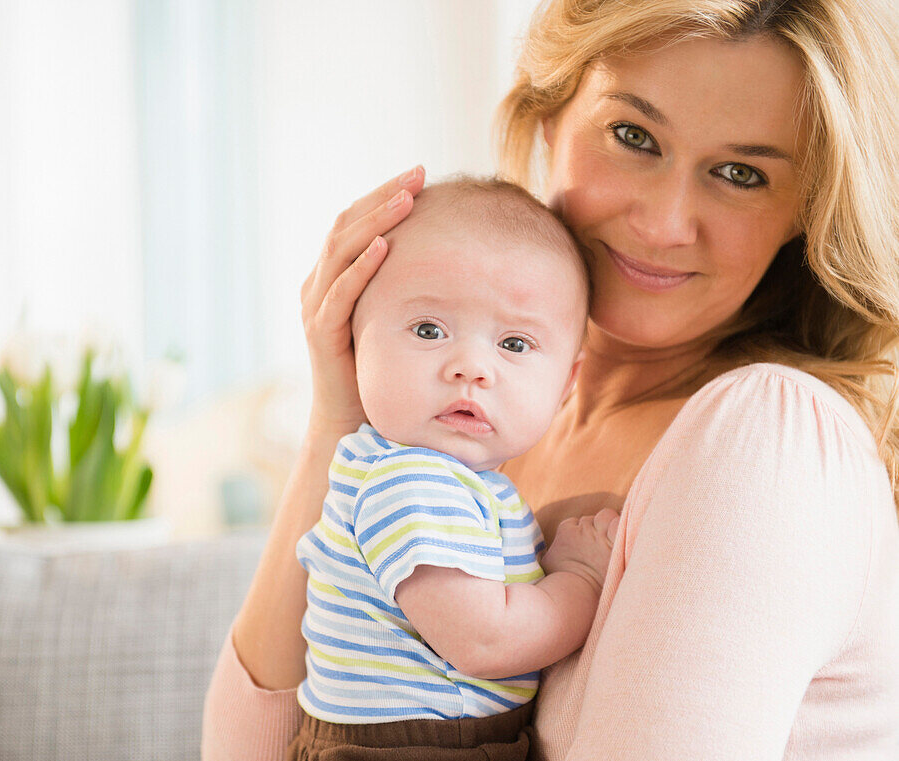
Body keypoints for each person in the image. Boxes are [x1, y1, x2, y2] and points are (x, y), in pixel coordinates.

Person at [203, 1, 899, 758]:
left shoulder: (768, 441)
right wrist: (339, 421)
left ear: (809, 208)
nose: (666, 222)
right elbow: (250, 748)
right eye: (634, 136)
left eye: (741, 173)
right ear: (547, 118)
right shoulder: (472, 429)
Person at [289, 178, 619, 758]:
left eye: (514, 344)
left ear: (567, 383)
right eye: (428, 330)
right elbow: (487, 640)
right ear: (354, 342)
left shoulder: (459, 484)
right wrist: (582, 581)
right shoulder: (410, 482)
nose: (470, 367)